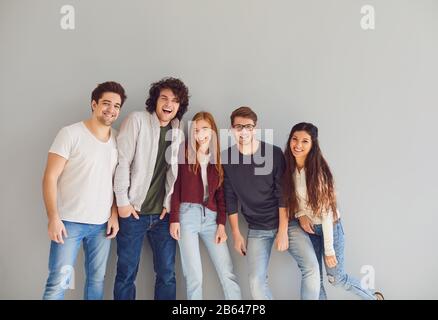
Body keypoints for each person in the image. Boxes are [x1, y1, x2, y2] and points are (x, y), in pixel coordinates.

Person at [223, 107, 320, 300]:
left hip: (288, 223)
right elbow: (230, 197)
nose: (244, 131)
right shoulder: (227, 158)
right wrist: (235, 233)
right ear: (232, 129)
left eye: (248, 127)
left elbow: (282, 193)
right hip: (257, 228)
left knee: (311, 267)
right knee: (255, 281)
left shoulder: (273, 154)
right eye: (239, 126)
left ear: (255, 129)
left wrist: (283, 230)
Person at [42, 81, 126, 299]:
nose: (111, 110)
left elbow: (117, 182)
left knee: (96, 283)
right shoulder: (70, 134)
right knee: (58, 283)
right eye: (106, 103)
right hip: (68, 224)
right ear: (94, 104)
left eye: (117, 106)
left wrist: (114, 214)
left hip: (101, 226)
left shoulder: (118, 139)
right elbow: (50, 177)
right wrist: (53, 217)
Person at [282, 122, 384, 300]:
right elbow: (293, 198)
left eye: (305, 141)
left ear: (313, 144)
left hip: (329, 226)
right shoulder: (288, 169)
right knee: (315, 279)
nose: (298, 145)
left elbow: (326, 214)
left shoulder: (317, 173)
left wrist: (329, 250)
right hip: (309, 229)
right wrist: (301, 214)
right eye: (295, 139)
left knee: (336, 278)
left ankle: (374, 298)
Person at [113, 77, 189, 300]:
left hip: (162, 217)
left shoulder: (178, 133)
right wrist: (123, 204)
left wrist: (168, 205)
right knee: (126, 273)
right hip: (133, 214)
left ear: (179, 106)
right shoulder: (137, 120)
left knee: (167, 274)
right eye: (164, 98)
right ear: (155, 101)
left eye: (175, 101)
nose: (168, 104)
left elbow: (173, 176)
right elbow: (122, 161)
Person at [169, 111, 241, 300]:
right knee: (194, 277)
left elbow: (221, 196)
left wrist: (221, 224)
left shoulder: (218, 158)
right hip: (187, 216)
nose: (200, 134)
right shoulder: (184, 151)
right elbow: (175, 187)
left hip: (211, 218)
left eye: (205, 129)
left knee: (227, 273)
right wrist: (174, 219)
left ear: (213, 130)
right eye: (196, 130)